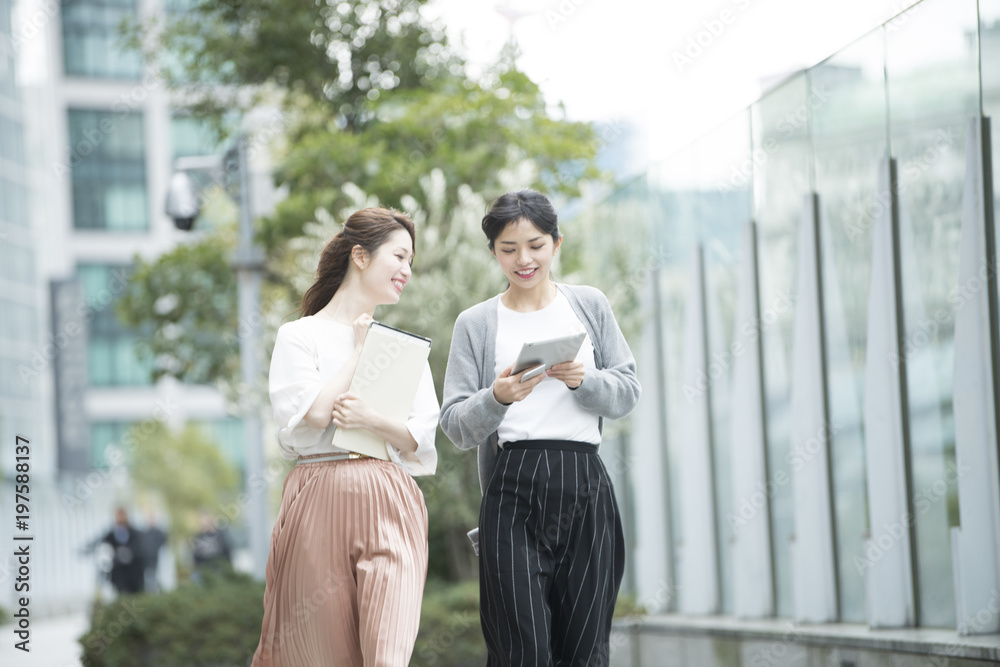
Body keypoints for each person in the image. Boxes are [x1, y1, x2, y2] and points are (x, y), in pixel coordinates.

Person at [441, 189, 640, 667]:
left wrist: (584, 381)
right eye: (508, 249)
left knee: (585, 647)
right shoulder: (476, 323)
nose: (523, 259)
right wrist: (497, 397)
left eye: (535, 245)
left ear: (556, 243)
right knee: (520, 650)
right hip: (512, 489)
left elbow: (628, 391)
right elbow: (454, 425)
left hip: (585, 486)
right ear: (493, 252)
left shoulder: (588, 305)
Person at [252, 207, 438, 667]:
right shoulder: (300, 336)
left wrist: (373, 419)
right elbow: (314, 413)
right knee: (322, 654)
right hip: (319, 494)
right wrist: (361, 352)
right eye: (399, 256)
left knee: (388, 653)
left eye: (410, 261)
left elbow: (420, 436)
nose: (406, 271)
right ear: (360, 255)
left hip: (389, 494)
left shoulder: (405, 348)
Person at [99, 507, 145, 595]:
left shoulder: (134, 533)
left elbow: (139, 550)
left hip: (133, 573)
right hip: (119, 573)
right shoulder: (111, 535)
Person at [190, 511, 231, 583]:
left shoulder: (220, 536)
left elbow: (227, 553)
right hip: (203, 570)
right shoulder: (198, 538)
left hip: (219, 569)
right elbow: (195, 558)